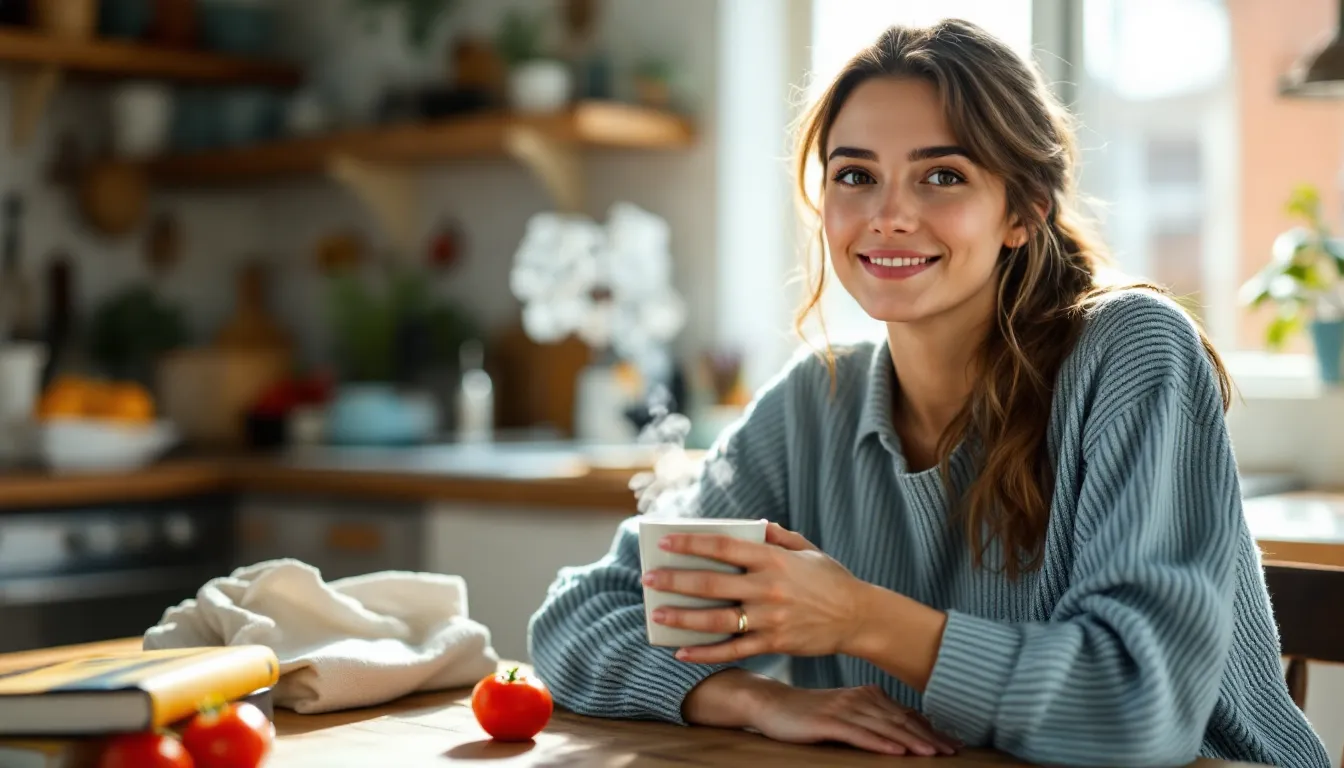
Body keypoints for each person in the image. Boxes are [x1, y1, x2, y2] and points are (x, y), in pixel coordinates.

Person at [528, 19, 1331, 768]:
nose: (888, 216)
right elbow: (577, 621)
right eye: (855, 176)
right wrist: (748, 696)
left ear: (1023, 210)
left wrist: (856, 617)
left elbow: (1134, 714)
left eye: (941, 176)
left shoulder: (1130, 351)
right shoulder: (812, 404)